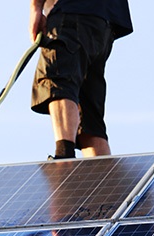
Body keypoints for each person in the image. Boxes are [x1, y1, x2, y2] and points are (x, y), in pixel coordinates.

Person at [29, 0, 133, 159]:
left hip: (71, 12)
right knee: (89, 112)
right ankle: (102, 177)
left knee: (58, 79)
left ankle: (64, 156)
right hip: (105, 25)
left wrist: (35, 7)